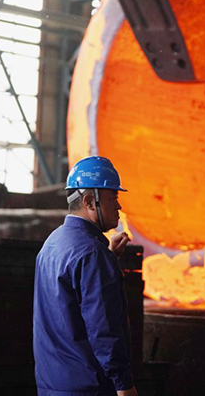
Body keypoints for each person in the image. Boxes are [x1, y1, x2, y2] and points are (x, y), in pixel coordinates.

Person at [33, 156, 138, 396]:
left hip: (53, 384)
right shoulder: (92, 254)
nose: (119, 207)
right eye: (113, 198)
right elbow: (104, 328)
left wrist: (109, 257)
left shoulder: (52, 243)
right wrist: (123, 384)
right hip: (89, 387)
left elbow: (70, 303)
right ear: (90, 202)